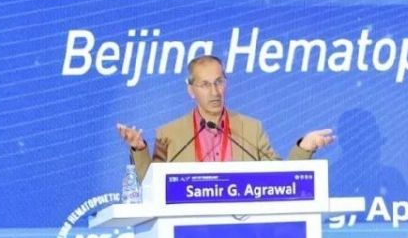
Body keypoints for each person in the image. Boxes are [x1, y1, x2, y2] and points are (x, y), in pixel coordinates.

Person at [117, 55, 334, 180]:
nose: (215, 92)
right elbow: (151, 185)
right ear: (191, 90)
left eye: (219, 82)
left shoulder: (251, 129)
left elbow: (280, 180)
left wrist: (304, 149)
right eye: (205, 85)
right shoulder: (170, 134)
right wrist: (139, 149)